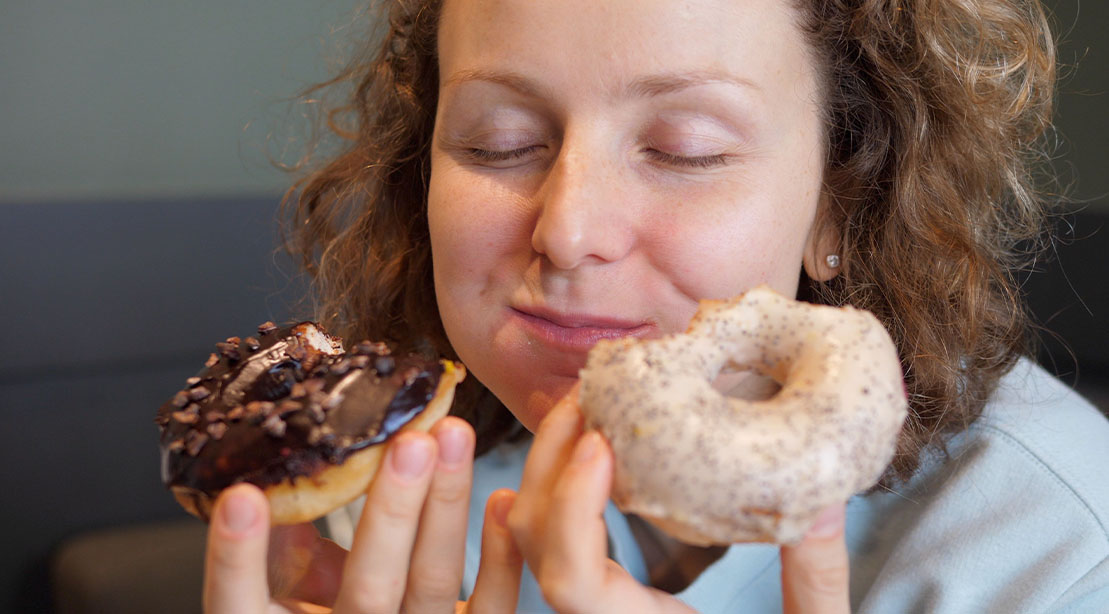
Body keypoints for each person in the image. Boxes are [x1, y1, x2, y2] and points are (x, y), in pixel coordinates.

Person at [201, 0, 1109, 612]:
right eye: (499, 140)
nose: (567, 229)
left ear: (839, 201)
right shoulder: (408, 482)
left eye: (683, 148)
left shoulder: (1058, 547)